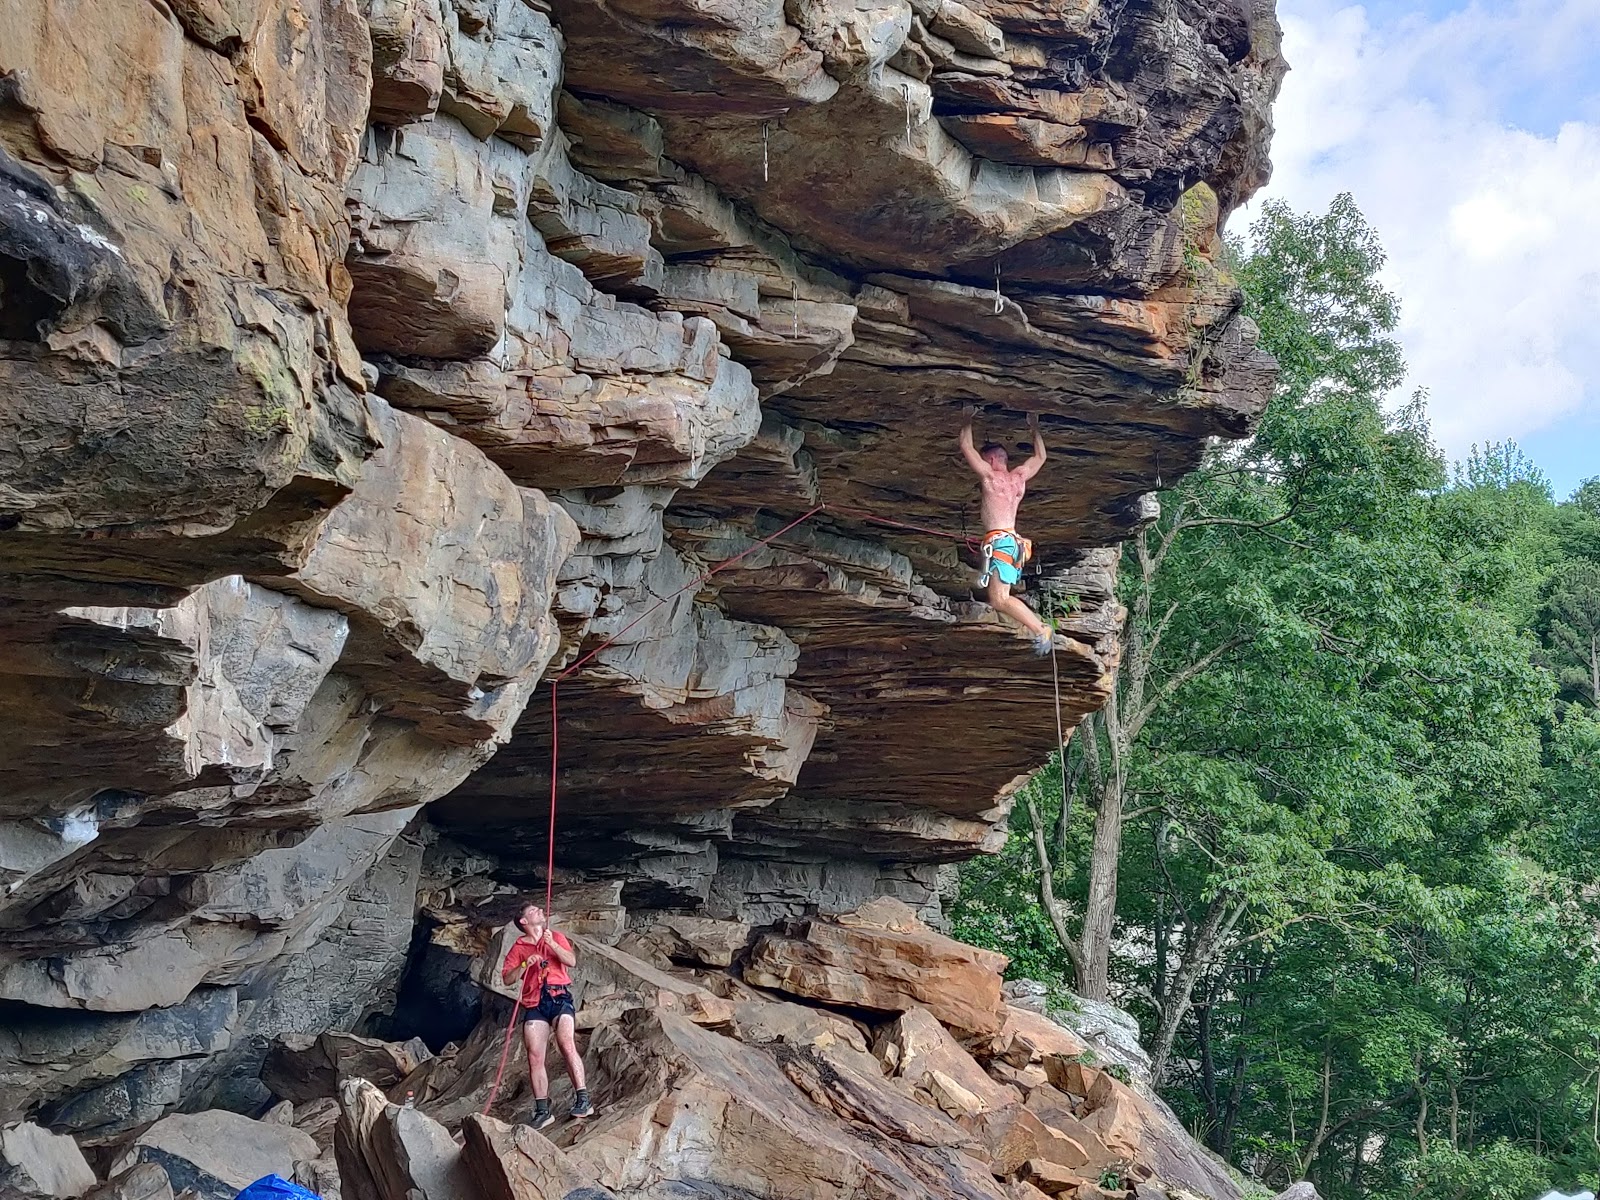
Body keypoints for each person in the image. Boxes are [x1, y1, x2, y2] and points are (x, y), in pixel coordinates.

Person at [958, 405, 1055, 654]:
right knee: (999, 597)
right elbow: (1040, 457)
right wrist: (1034, 427)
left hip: (1001, 542)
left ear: (990, 459)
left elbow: (966, 447)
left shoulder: (990, 477)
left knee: (999, 599)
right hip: (1014, 545)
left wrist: (967, 419)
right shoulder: (1018, 478)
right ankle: (1038, 627)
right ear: (1004, 458)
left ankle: (1040, 628)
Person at [501, 902, 594, 1127]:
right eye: (533, 911)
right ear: (523, 921)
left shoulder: (555, 936)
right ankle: (543, 1110)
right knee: (535, 1056)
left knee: (566, 1042)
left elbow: (571, 961)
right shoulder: (519, 946)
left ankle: (583, 1098)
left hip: (559, 996)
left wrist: (552, 943)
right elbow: (507, 978)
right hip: (535, 1003)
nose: (540, 911)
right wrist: (525, 963)